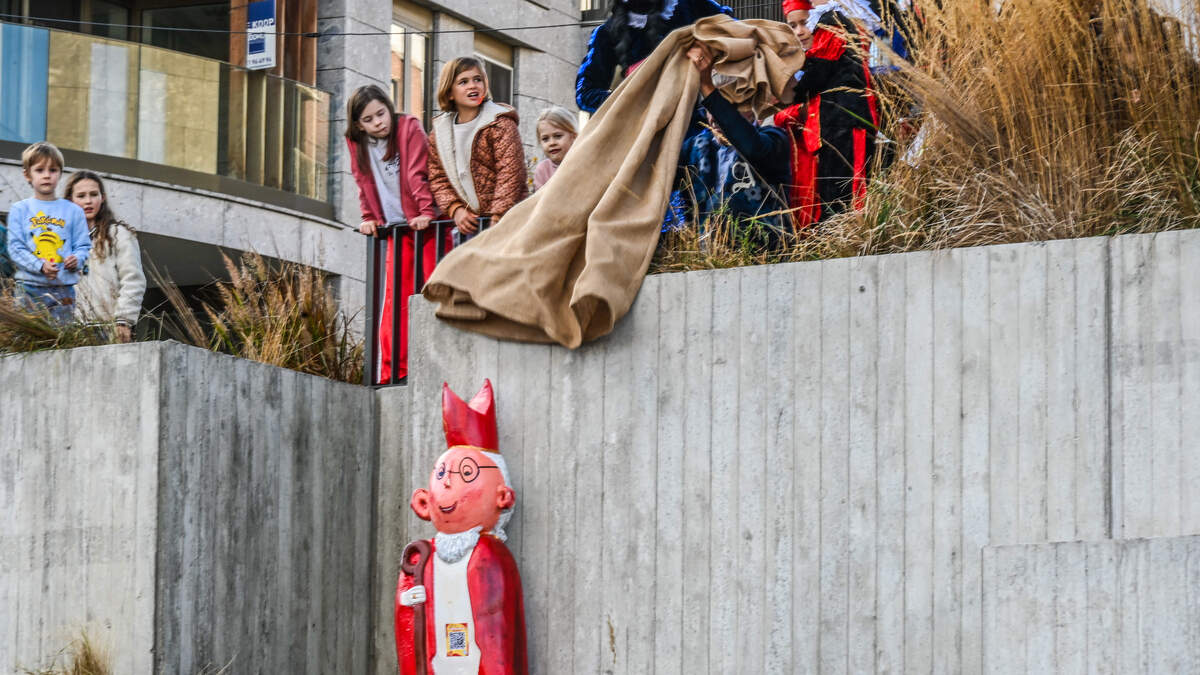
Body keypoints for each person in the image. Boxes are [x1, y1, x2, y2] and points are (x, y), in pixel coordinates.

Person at [395, 380, 527, 674]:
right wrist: (410, 601)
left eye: (466, 473)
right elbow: (407, 626)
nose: (447, 482)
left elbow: (497, 632)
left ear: (502, 496)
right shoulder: (420, 558)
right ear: (423, 503)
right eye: (441, 473)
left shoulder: (489, 556)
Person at [345, 84, 442, 384]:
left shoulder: (408, 127)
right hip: (396, 232)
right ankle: (393, 373)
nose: (378, 123)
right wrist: (369, 218)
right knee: (394, 305)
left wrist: (426, 211)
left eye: (381, 113)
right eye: (369, 119)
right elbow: (363, 181)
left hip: (426, 228)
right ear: (358, 125)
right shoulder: (356, 143)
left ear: (389, 108)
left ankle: (437, 367)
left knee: (432, 295)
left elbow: (418, 171)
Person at [775, 0, 879, 228]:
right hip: (835, 126)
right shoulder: (834, 19)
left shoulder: (834, 19)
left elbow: (819, 71)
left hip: (847, 121)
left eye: (803, 23)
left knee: (849, 193)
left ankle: (854, 238)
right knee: (835, 194)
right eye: (793, 25)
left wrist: (787, 93)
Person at [682, 43, 792, 248]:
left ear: (750, 106)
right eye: (709, 107)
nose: (715, 119)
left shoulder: (775, 140)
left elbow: (752, 148)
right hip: (707, 263)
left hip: (765, 260)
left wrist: (707, 85)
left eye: (727, 107)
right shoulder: (696, 147)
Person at [427, 57, 527, 245]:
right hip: (469, 225)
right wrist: (455, 209)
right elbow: (437, 177)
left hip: (504, 222)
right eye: (463, 82)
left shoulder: (500, 123)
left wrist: (498, 217)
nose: (472, 86)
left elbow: (510, 172)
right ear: (449, 93)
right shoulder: (440, 133)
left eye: (477, 79)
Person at [575, 0, 733, 114]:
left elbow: (736, 34)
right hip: (645, 130)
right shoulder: (606, 34)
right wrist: (629, 99)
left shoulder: (693, 5)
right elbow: (586, 93)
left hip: (703, 119)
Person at [5, 142, 90, 326]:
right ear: (27, 174)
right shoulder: (20, 209)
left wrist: (77, 259)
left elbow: (83, 245)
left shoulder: (74, 211)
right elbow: (16, 247)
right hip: (29, 287)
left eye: (53, 170)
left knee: (61, 337)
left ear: (60, 173)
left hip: (64, 288)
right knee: (27, 339)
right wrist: (39, 266)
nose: (46, 175)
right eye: (40, 170)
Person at [66, 170, 145, 342]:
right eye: (81, 195)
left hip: (110, 329)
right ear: (70, 200)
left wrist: (124, 320)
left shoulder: (119, 234)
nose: (88, 201)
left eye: (94, 194)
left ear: (103, 198)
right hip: (70, 333)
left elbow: (133, 280)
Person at [532, 106, 579, 191]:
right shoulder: (542, 170)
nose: (552, 143)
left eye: (558, 136)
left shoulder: (583, 163)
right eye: (545, 139)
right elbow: (540, 201)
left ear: (574, 137)